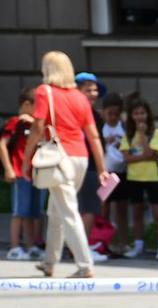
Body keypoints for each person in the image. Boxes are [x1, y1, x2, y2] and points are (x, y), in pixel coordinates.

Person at [21, 51, 108, 279]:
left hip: (58, 158)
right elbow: (93, 136)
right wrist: (101, 168)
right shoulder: (79, 97)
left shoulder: (45, 92)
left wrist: (26, 159)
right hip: (81, 157)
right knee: (56, 210)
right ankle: (49, 261)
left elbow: (38, 127)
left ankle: (85, 264)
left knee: (68, 211)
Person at [118, 97, 158, 260]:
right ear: (131, 116)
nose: (139, 117)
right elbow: (126, 157)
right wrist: (143, 155)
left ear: (148, 114)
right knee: (137, 212)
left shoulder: (156, 133)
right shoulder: (128, 135)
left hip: (153, 177)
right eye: (136, 113)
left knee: (157, 213)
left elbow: (153, 155)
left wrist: (142, 137)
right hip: (134, 178)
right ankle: (138, 245)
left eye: (142, 113)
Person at [1, 88, 45, 261]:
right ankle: (14, 247)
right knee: (19, 212)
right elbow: (2, 144)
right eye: (37, 106)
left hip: (34, 173)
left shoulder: (34, 124)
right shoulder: (15, 122)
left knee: (31, 212)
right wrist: (8, 168)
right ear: (26, 105)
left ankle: (30, 245)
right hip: (20, 172)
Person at [73, 72, 107, 257]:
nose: (93, 94)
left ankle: (76, 249)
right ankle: (82, 252)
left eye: (95, 90)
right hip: (87, 166)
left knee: (79, 209)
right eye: (88, 90)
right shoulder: (87, 115)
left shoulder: (93, 114)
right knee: (89, 209)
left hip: (81, 165)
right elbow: (94, 141)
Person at [99, 91, 127, 254]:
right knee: (104, 208)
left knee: (122, 208)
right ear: (103, 112)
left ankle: (122, 242)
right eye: (109, 114)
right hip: (106, 173)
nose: (112, 117)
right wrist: (104, 142)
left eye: (116, 114)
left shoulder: (122, 127)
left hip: (121, 171)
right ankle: (104, 241)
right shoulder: (100, 128)